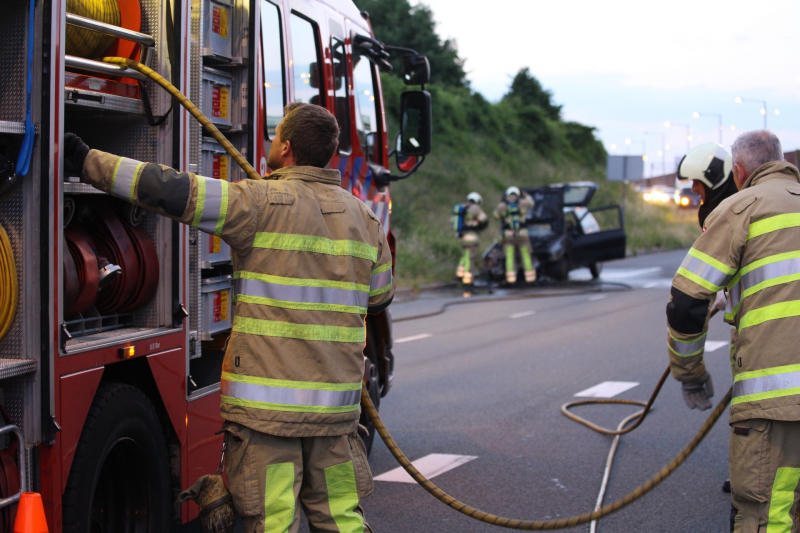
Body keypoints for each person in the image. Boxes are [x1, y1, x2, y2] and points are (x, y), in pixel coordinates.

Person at [63, 102, 394, 533]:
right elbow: (380, 296)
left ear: (286, 147)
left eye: (275, 138)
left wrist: (87, 160)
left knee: (275, 521)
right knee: (342, 520)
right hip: (335, 415)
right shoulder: (365, 219)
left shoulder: (255, 202)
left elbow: (166, 189)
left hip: (267, 417)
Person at [665, 130, 800, 532]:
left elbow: (686, 304)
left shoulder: (743, 208)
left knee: (769, 514)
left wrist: (691, 376)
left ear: (738, 172)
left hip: (778, 403)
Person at [676, 143, 740, 230]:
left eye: (697, 182)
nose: (693, 188)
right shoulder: (724, 211)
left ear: (714, 177)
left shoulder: (728, 217)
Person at [494, 186, 536, 284]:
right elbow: (532, 203)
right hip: (522, 235)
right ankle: (530, 279)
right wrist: (525, 195)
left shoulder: (502, 205)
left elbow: (496, 215)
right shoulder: (523, 203)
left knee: (509, 256)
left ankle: (511, 279)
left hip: (509, 236)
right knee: (526, 256)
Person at [453, 192, 488, 288]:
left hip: (462, 237)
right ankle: (467, 279)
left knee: (464, 255)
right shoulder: (475, 208)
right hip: (472, 237)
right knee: (470, 258)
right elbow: (484, 220)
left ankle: (459, 274)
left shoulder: (462, 207)